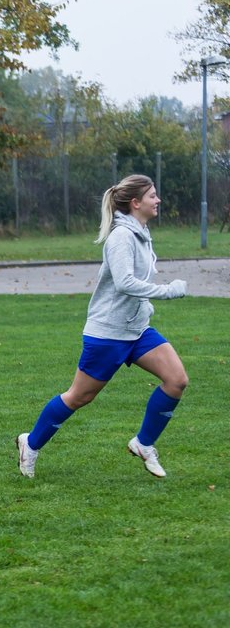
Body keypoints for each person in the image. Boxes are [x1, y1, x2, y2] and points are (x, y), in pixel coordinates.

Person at [16, 175, 188, 479]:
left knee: (176, 380)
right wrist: (167, 291)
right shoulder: (121, 236)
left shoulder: (142, 232)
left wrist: (145, 308)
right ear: (136, 203)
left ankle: (143, 444)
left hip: (137, 330)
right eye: (152, 196)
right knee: (79, 397)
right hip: (108, 334)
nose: (157, 200)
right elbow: (124, 283)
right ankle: (30, 443)